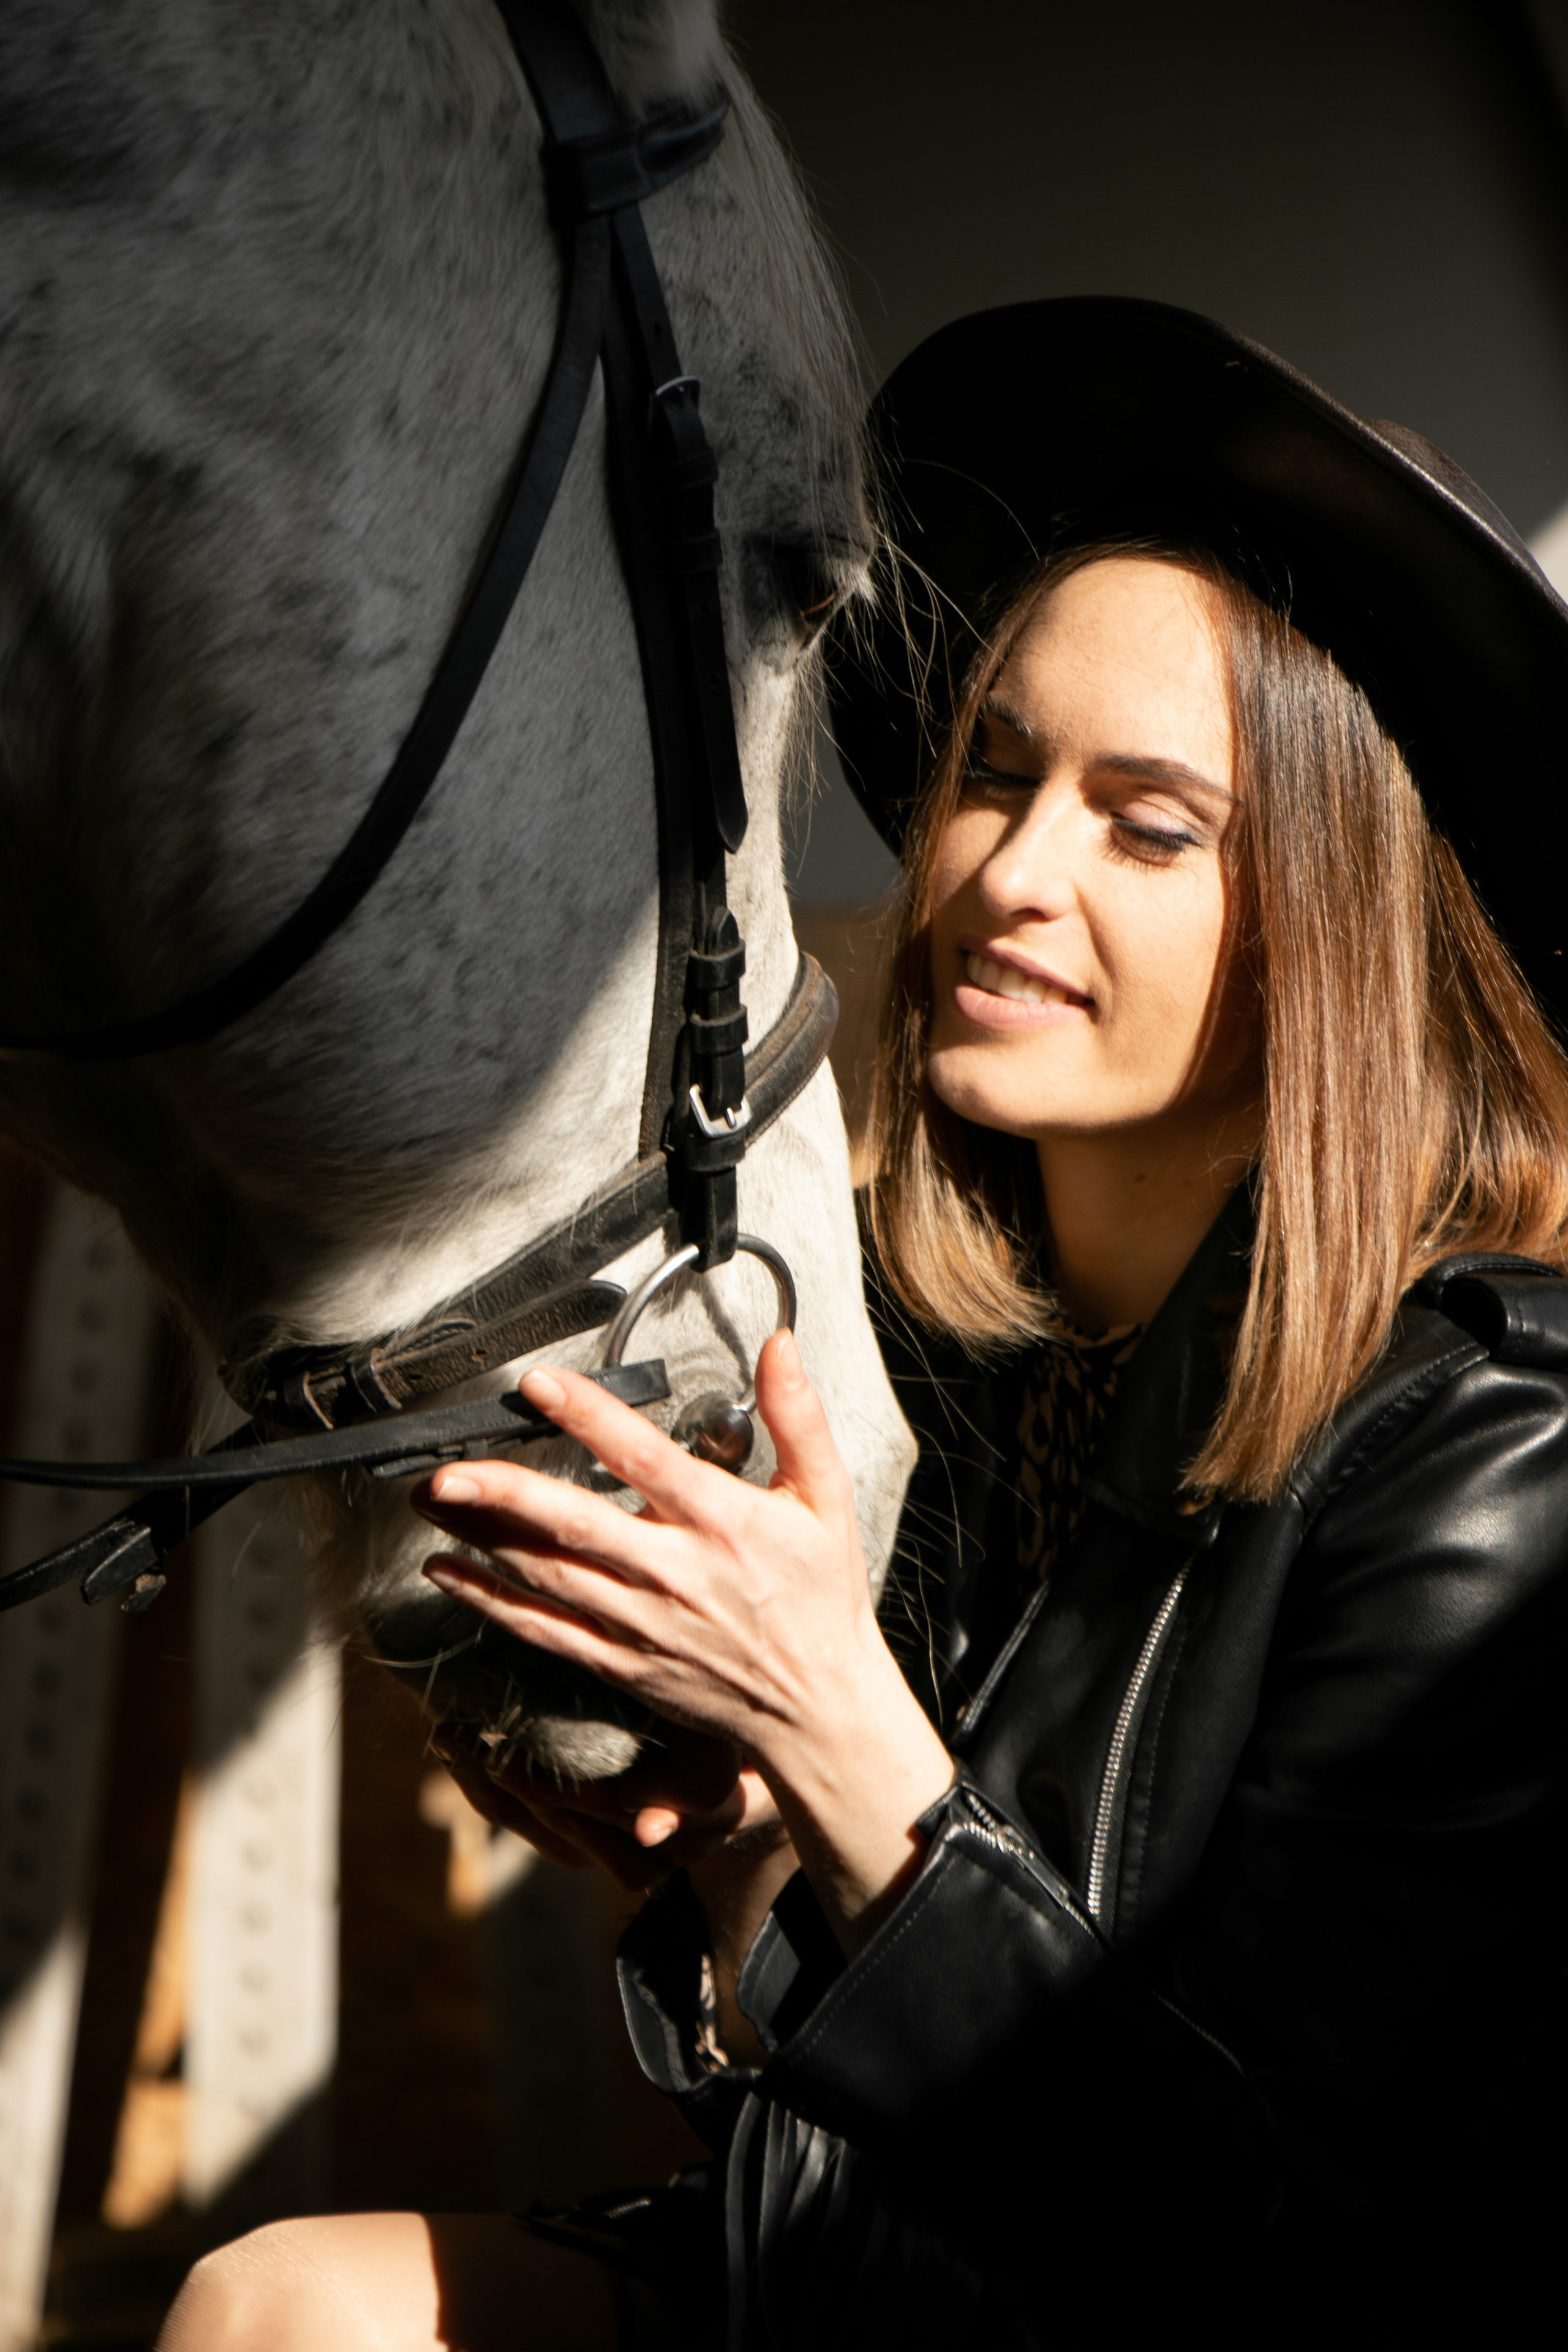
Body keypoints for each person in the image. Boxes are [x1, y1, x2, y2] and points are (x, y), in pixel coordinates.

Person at [160, 298, 1568, 2350]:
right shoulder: (938, 1376)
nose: (1007, 867)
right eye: (998, 774)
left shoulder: (1501, 1454)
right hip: (861, 2285)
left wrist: (838, 1729)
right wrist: (738, 1830)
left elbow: (1267, 2246)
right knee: (284, 2307)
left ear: (1331, 933)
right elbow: (804, 2111)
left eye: (1148, 823)